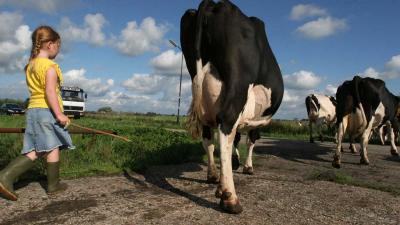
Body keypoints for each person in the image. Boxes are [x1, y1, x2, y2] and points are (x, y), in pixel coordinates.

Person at [0, 25, 74, 201]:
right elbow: (50, 92)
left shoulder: (31, 65)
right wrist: (59, 114)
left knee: (46, 146)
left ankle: (52, 184)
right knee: (47, 147)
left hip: (33, 110)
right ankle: (6, 176)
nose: (58, 50)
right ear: (49, 44)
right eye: (57, 45)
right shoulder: (49, 66)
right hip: (46, 111)